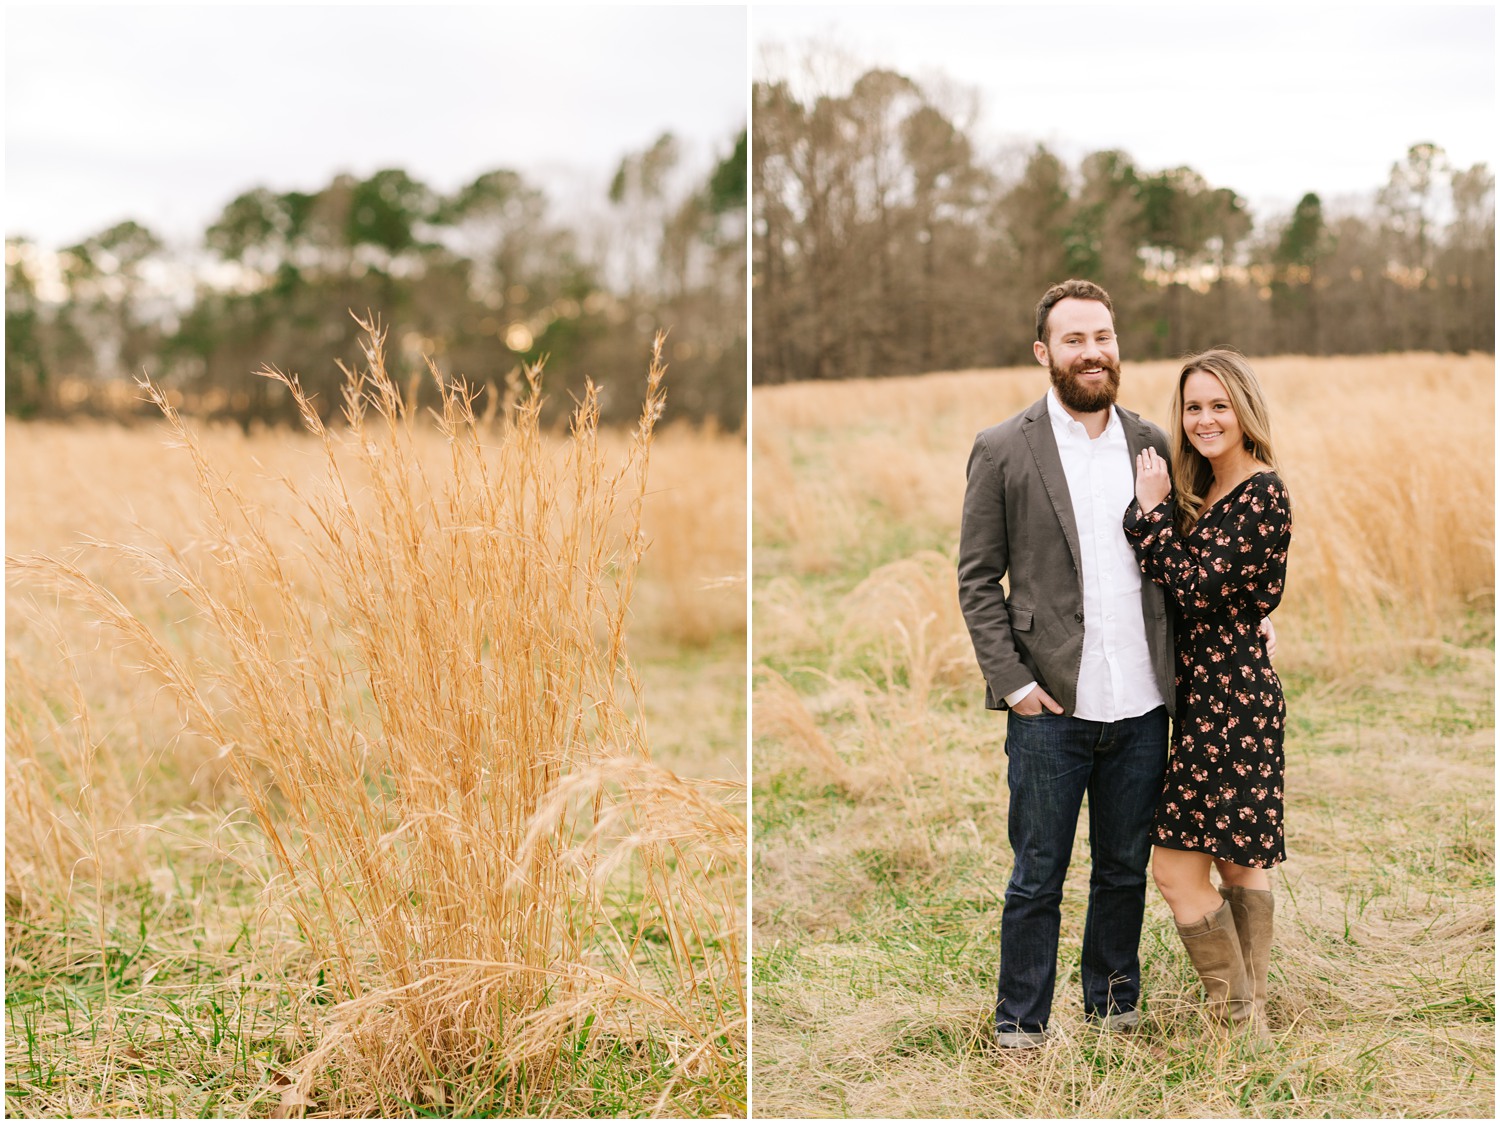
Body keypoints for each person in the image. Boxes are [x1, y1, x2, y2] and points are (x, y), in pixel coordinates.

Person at [957, 279, 1177, 1049]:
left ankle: (1114, 1008)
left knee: (1123, 868)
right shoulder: (1003, 446)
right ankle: (1021, 1022)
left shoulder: (1154, 441)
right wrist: (1014, 684)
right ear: (1045, 352)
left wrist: (1252, 624)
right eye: (1077, 340)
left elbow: (1185, 562)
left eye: (1105, 337)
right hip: (1050, 703)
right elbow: (977, 578)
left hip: (1144, 701)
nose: (1094, 353)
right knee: (1038, 875)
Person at [1124, 349, 1291, 1042]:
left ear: (1245, 412)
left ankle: (1235, 1016)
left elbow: (1195, 586)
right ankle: (1250, 1023)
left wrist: (1149, 516)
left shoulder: (1261, 490)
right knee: (1237, 858)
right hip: (1209, 696)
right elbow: (1220, 591)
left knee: (1173, 868)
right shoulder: (1212, 492)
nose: (1204, 419)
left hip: (1234, 705)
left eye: (1219, 405)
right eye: (1193, 407)